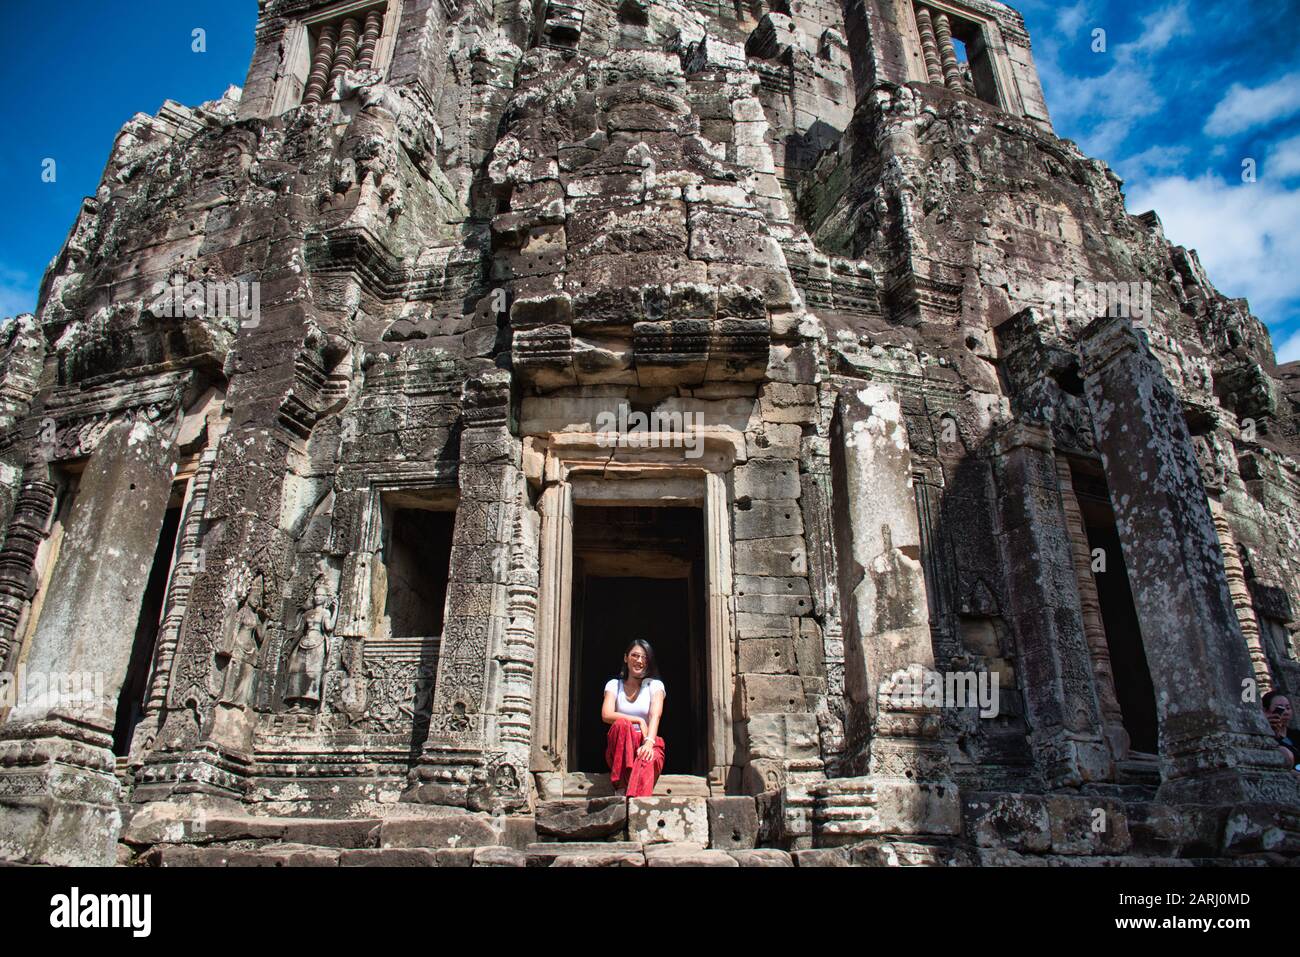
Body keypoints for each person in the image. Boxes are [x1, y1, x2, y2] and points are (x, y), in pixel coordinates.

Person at [602, 639, 666, 797]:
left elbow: (655, 715)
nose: (639, 661)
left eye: (644, 657)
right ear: (626, 658)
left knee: (649, 756)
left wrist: (649, 743)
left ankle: (636, 801)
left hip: (645, 740)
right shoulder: (614, 685)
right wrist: (638, 720)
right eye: (635, 656)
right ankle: (621, 785)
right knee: (622, 725)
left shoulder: (655, 686)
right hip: (620, 746)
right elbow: (606, 714)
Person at [1262, 690, 1300, 771]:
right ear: (1266, 711)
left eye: (1288, 708)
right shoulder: (1264, 737)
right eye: (1280, 708)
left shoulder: (1296, 734)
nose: (1286, 712)